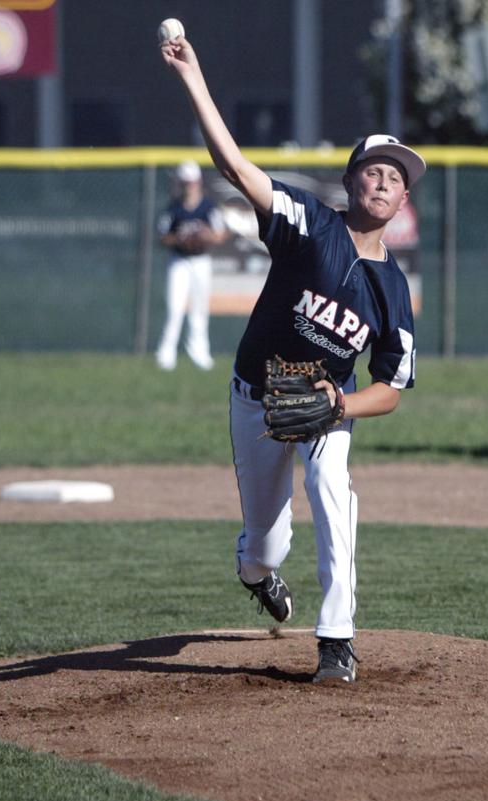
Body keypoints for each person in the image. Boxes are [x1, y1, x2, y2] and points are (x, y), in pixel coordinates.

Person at [160, 33, 422, 683]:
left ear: (403, 200)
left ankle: (336, 637)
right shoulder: (312, 223)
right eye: (374, 169)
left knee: (333, 488)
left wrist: (343, 403)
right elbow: (234, 169)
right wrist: (194, 76)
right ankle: (256, 572)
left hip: (325, 404)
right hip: (255, 393)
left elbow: (390, 385)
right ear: (351, 180)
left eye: (397, 176)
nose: (384, 179)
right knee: (264, 544)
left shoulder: (393, 290)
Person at [155, 159, 229, 371]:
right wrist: (180, 238)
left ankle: (199, 352)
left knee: (199, 308)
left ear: (198, 182)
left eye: (192, 181)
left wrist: (206, 236)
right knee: (175, 308)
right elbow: (163, 236)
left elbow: (220, 233)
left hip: (200, 261)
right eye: (185, 182)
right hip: (179, 261)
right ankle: (166, 354)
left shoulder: (208, 207)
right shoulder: (174, 208)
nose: (189, 185)